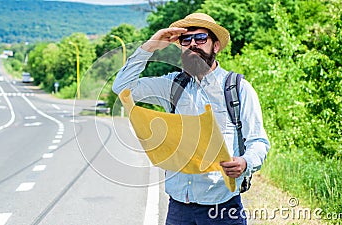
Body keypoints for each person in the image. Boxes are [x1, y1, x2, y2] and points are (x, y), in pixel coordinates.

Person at [112, 13, 270, 225]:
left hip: (222, 208)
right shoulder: (172, 85)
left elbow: (258, 142)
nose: (193, 44)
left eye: (201, 38)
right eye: (186, 40)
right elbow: (122, 88)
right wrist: (149, 46)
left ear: (216, 46)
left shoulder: (237, 88)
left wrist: (245, 162)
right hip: (178, 208)